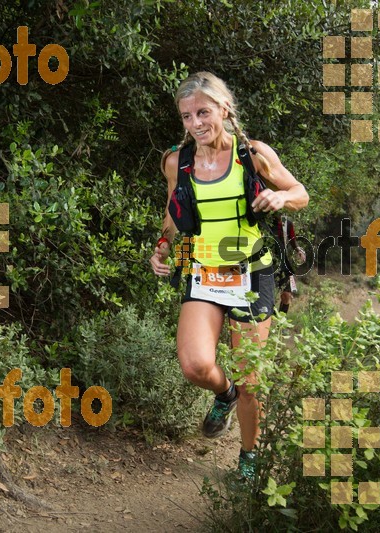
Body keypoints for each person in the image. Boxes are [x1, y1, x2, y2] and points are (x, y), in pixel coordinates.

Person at [149, 72, 308, 481]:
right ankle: (224, 393)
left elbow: (300, 193)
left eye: (203, 112)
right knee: (195, 364)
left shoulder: (252, 154)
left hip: (252, 275)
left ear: (224, 109)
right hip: (203, 272)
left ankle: (249, 457)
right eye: (186, 116)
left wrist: (281, 196)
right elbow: (174, 209)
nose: (195, 123)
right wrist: (162, 246)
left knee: (251, 380)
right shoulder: (177, 161)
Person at [271, 214, 306, 315]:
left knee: (287, 294)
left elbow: (292, 239)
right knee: (267, 294)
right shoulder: (265, 220)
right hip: (266, 261)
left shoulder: (287, 223)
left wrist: (298, 249)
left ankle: (280, 322)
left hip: (283, 262)